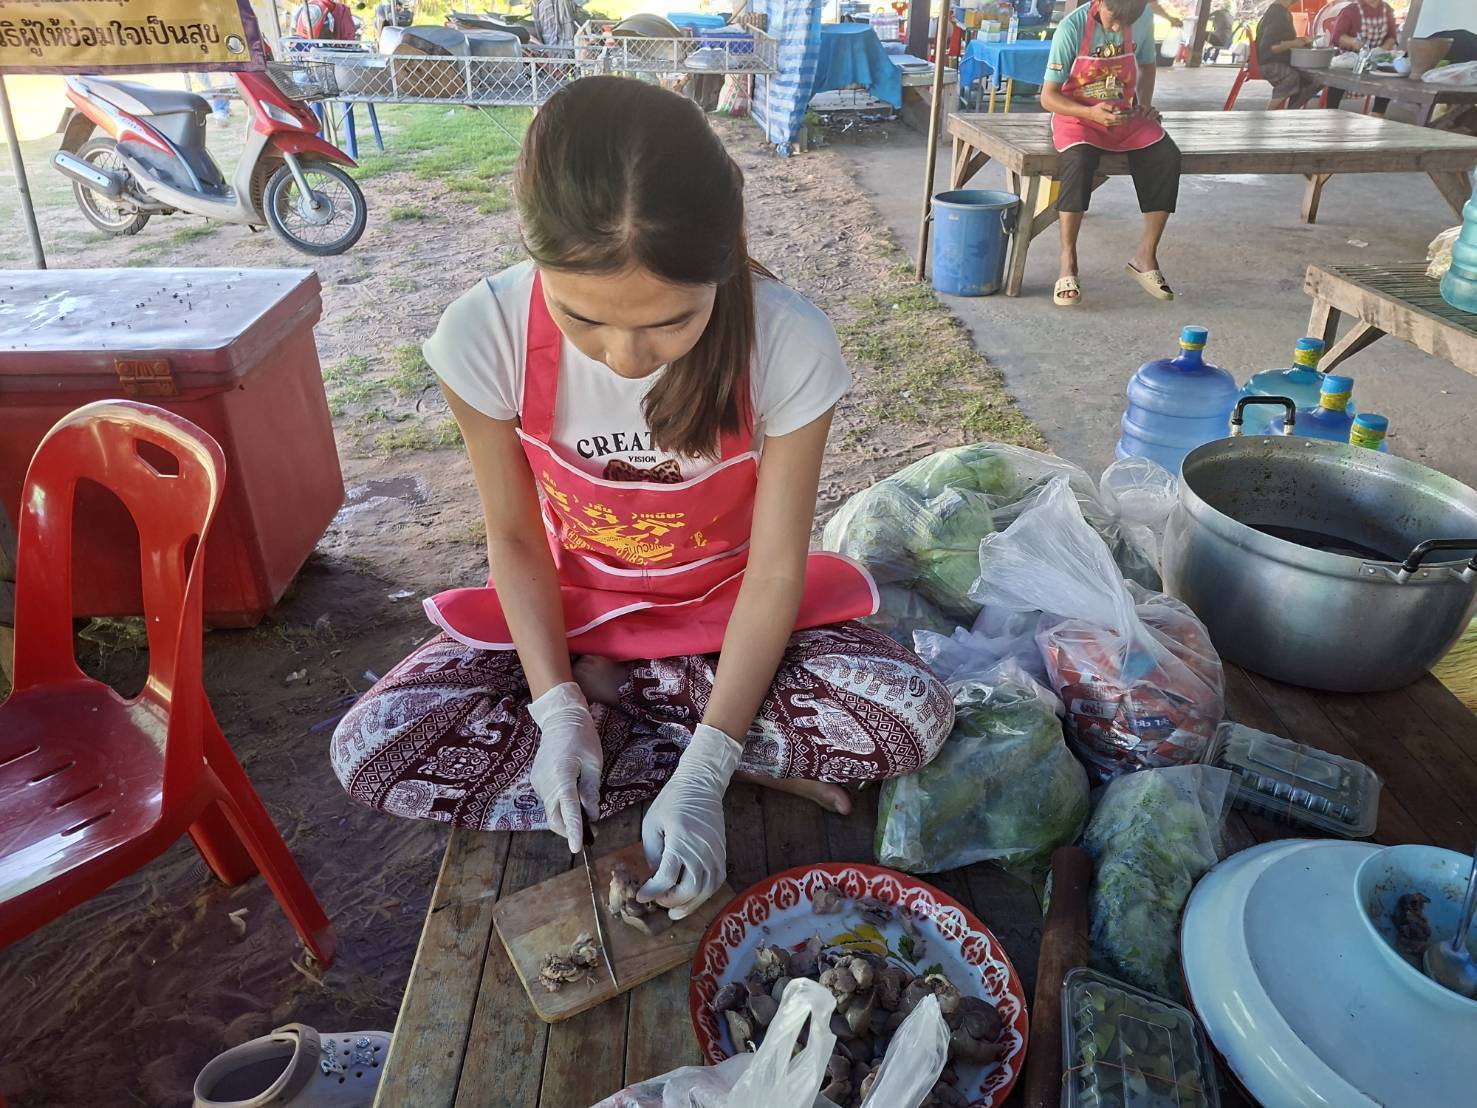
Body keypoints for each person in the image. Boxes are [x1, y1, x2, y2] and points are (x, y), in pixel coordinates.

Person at [331, 77, 953, 922]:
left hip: (732, 617)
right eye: (583, 318)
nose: (626, 358)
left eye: (670, 322)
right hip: (577, 616)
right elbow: (514, 541)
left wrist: (704, 766)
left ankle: (673, 738)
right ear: (535, 256)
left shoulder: (788, 342)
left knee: (911, 716)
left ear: (721, 263)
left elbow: (776, 573)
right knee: (373, 749)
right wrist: (555, 707)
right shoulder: (484, 334)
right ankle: (679, 739)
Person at [1042, 0, 1182, 307]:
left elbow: (1147, 64)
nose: (1117, 28)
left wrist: (1144, 104)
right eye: (1113, 18)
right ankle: (1068, 260)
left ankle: (1145, 256)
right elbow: (1048, 97)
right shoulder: (1071, 28)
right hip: (1077, 116)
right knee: (1078, 160)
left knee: (1167, 156)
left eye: (1125, 22)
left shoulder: (1141, 18)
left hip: (1122, 115)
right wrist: (1090, 114)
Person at [1327, 0, 1398, 115]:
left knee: (1389, 77)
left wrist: (1382, 50)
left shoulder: (1387, 10)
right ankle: (1330, 112)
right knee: (1338, 77)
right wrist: (1353, 42)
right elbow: (1337, 37)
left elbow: (1391, 37)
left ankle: (1378, 113)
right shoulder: (1350, 10)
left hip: (1376, 60)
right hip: (1351, 59)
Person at [1257, 0, 1321, 109]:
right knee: (1292, 77)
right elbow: (1272, 47)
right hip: (1269, 63)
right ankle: (1268, 113)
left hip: (1280, 60)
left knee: (1313, 79)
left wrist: (1300, 41)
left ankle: (1291, 111)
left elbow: (1283, 40)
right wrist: (1294, 43)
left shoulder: (1283, 12)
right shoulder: (1277, 15)